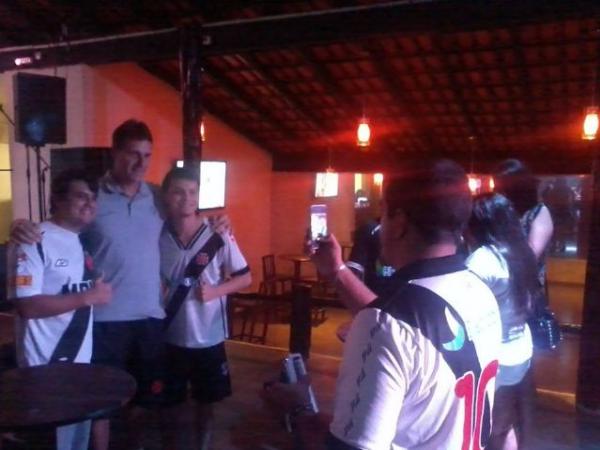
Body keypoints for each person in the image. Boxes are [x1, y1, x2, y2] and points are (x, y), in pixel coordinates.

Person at [10, 119, 230, 450]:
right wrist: (20, 225)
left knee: (149, 399)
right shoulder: (93, 197)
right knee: (102, 403)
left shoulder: (156, 196)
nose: (141, 162)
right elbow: (60, 227)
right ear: (114, 153)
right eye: (132, 154)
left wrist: (219, 220)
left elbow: (186, 209)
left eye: (147, 155)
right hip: (103, 320)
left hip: (150, 317)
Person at [264, 159, 502, 449]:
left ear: (399, 223)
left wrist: (299, 408)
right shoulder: (481, 292)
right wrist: (336, 270)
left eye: (384, 213)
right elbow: (410, 323)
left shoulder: (385, 324)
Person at [7, 169, 112, 450]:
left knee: (75, 441)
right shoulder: (33, 239)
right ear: (57, 200)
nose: (89, 203)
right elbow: (26, 305)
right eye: (81, 196)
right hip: (45, 368)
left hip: (79, 364)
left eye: (93, 197)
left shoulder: (82, 241)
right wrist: (88, 297)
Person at [159, 167, 251, 450]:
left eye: (192, 192)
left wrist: (215, 291)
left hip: (208, 336)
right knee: (170, 404)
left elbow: (245, 277)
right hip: (171, 334)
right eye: (178, 192)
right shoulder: (159, 235)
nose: (186, 198)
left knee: (207, 402)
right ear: (166, 196)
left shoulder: (217, 233)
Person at [465, 193, 539, 450]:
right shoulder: (522, 253)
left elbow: (465, 310)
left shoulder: (483, 260)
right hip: (519, 349)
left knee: (485, 428)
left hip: (493, 356)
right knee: (503, 426)